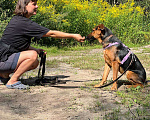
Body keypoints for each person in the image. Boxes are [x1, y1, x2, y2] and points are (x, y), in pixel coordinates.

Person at [0, 0, 85, 90]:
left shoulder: (17, 20)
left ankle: (3, 75)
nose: (37, 6)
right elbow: (52, 34)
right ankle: (13, 81)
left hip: (3, 59)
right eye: (34, 4)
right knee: (32, 55)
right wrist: (73, 35)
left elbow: (16, 44)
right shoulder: (24, 23)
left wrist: (35, 49)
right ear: (24, 6)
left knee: (35, 62)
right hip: (3, 60)